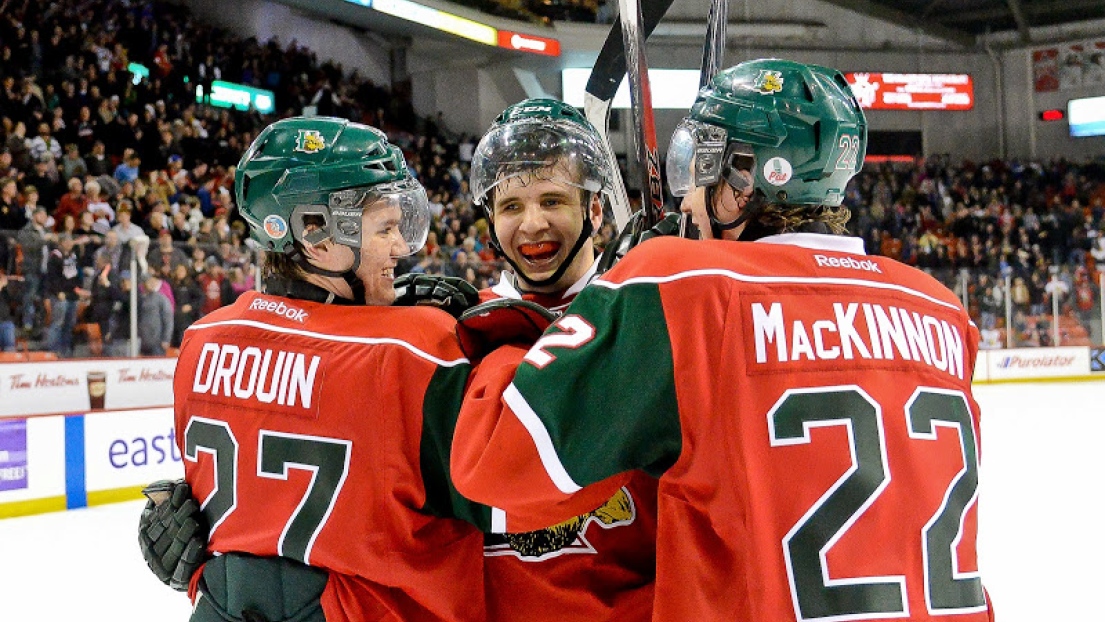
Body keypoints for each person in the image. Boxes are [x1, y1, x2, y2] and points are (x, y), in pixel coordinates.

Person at [451, 59, 994, 621]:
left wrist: (509, 333)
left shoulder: (684, 284)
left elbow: (497, 465)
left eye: (699, 169)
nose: (685, 200)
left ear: (741, 185)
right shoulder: (940, 307)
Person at [140, 116, 489, 622]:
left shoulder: (201, 339)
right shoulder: (412, 348)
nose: (401, 248)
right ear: (317, 237)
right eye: (386, 228)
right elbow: (526, 499)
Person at [461, 98, 659, 620]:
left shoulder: (641, 316)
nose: (532, 225)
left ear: (594, 210)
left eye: (553, 201)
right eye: (511, 207)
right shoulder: (455, 327)